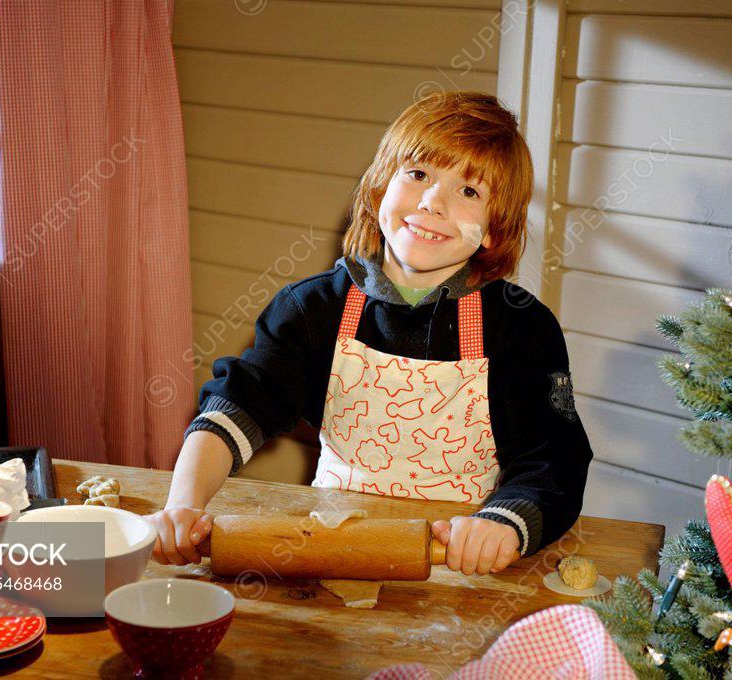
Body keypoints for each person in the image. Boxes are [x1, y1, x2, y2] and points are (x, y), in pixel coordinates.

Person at [145, 90, 593, 577]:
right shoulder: (314, 308)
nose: (431, 202)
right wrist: (182, 505)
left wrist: (503, 526)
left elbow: (554, 459)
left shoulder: (522, 328)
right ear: (380, 188)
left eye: (469, 191)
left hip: (456, 564)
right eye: (418, 174)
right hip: (329, 551)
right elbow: (241, 405)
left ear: (494, 230)